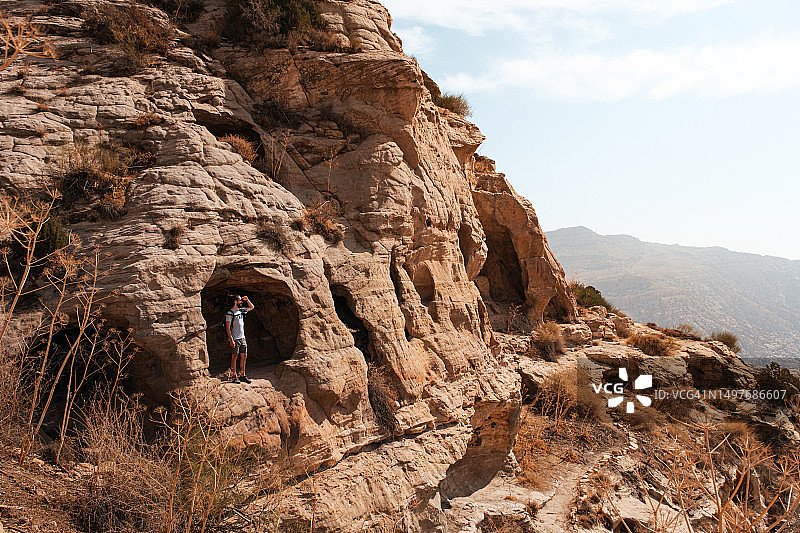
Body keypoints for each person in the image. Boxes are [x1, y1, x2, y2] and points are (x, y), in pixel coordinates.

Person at [226, 294, 254, 383]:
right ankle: (234, 376)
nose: (241, 302)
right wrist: (231, 339)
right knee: (235, 356)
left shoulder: (241, 311)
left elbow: (252, 307)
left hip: (242, 338)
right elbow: (227, 327)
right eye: (239, 300)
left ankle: (242, 375)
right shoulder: (230, 313)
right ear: (235, 301)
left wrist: (247, 299)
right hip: (235, 338)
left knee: (244, 356)